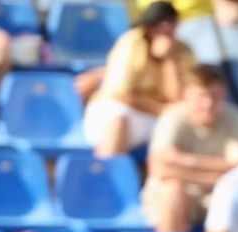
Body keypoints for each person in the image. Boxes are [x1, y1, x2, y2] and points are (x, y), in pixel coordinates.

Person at [143, 65, 238, 232]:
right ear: (187, 95)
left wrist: (183, 161)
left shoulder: (236, 117)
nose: (208, 104)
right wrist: (218, 174)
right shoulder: (172, 117)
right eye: (201, 96)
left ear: (224, 95)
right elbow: (158, 168)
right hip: (177, 196)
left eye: (215, 97)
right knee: (173, 191)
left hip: (217, 194)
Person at [82, 2, 194, 159]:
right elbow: (120, 94)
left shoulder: (183, 50)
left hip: (159, 119)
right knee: (119, 120)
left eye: (170, 23)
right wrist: (161, 110)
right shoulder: (132, 42)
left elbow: (179, 99)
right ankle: (106, 174)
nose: (165, 28)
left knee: (184, 125)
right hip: (116, 112)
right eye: (158, 24)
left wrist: (170, 60)